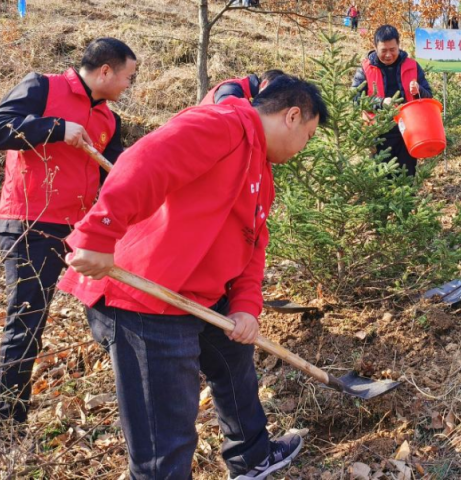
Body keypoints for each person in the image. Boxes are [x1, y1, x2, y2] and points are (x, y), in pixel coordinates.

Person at [59, 76, 327, 480]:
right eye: (308, 135)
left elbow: (253, 244)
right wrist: (99, 233)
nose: (304, 147)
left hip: (200, 295)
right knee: (165, 437)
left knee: (234, 362)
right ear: (292, 116)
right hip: (146, 299)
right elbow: (145, 161)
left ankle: (251, 457)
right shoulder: (223, 125)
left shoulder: (261, 170)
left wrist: (245, 308)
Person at [0, 38, 138, 427]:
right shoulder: (41, 88)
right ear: (105, 72)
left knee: (112, 306)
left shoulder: (109, 120)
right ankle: (9, 424)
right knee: (28, 320)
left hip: (82, 231)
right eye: (128, 77)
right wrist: (54, 128)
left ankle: (134, 404)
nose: (129, 86)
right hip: (31, 223)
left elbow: (113, 177)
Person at [351, 24, 432, 176]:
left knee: (406, 176)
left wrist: (419, 90)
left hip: (408, 132)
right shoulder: (365, 68)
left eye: (392, 49)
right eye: (384, 50)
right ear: (375, 47)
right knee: (381, 178)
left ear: (398, 46)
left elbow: (429, 97)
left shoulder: (412, 66)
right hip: (378, 133)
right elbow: (355, 99)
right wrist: (380, 103)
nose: (388, 54)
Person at [200, 69, 286, 105]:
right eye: (273, 95)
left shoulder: (243, 91)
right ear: (264, 85)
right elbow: (226, 115)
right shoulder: (232, 89)